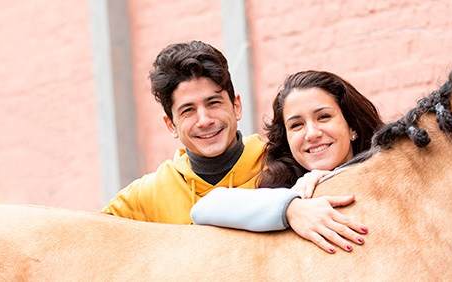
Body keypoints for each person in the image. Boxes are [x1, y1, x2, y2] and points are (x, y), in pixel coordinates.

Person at [101, 41, 366, 251]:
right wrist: (289, 207)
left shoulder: (281, 163)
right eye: (187, 110)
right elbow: (87, 243)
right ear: (170, 125)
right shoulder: (144, 196)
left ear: (236, 106)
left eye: (213, 103)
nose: (205, 120)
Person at [191, 70, 383, 253]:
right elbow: (202, 209)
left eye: (323, 117)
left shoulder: (387, 175)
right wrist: (291, 207)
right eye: (297, 125)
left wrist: (336, 177)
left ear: (352, 126)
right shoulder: (285, 189)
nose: (312, 134)